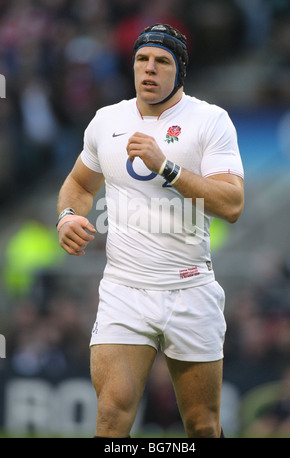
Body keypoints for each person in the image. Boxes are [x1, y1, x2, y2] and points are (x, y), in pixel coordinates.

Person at [56, 24, 244, 438]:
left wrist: (167, 166)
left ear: (180, 71)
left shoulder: (209, 120)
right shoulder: (107, 121)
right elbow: (80, 184)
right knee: (110, 418)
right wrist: (68, 214)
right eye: (142, 59)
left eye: (162, 61)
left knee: (202, 425)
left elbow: (231, 204)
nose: (149, 69)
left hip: (191, 289)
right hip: (125, 289)